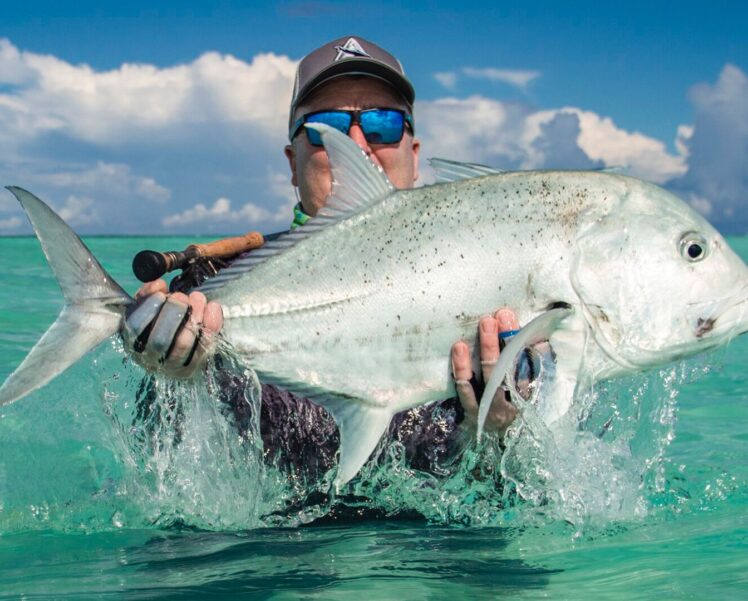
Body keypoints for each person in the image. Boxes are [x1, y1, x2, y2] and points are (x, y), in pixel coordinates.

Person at [128, 36, 519, 481]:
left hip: (433, 546)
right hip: (270, 545)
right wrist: (169, 376)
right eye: (325, 126)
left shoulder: (489, 285)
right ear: (293, 163)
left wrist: (498, 434)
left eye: (383, 124)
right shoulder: (208, 286)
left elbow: (524, 495)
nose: (357, 142)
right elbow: (158, 470)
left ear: (414, 156)